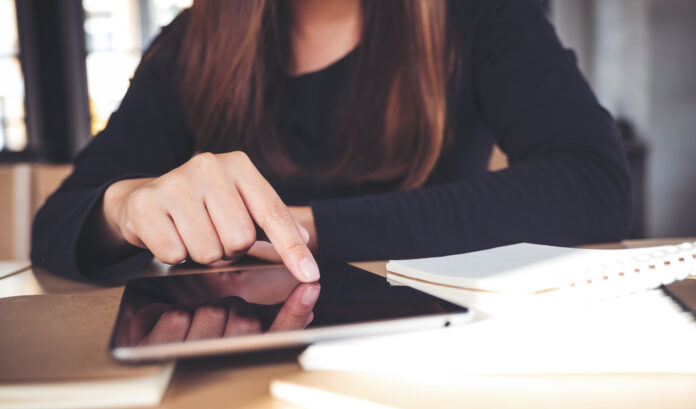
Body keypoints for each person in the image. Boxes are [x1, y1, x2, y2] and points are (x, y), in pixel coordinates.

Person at [31, 0, 632, 284]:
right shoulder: (191, 42)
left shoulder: (480, 16)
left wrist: (313, 227)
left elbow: (592, 186)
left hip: (441, 344)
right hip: (233, 361)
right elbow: (58, 223)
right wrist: (129, 205)